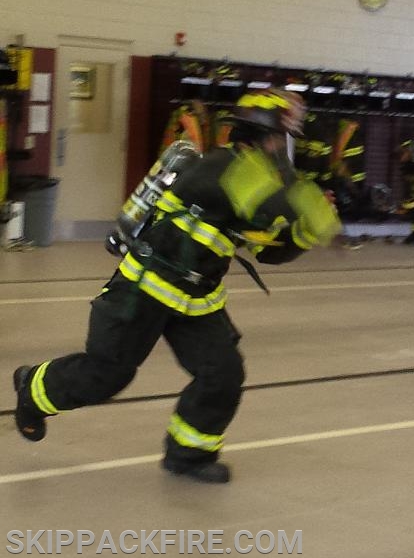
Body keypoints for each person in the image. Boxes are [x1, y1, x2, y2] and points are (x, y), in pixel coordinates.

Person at [12, 89, 341, 484]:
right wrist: (312, 206)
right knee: (106, 376)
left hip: (196, 299)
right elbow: (271, 203)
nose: (282, 147)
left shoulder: (256, 180)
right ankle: (33, 388)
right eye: (279, 138)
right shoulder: (225, 168)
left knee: (222, 374)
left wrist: (305, 232)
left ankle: (189, 456)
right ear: (262, 135)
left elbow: (270, 252)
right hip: (143, 290)